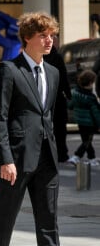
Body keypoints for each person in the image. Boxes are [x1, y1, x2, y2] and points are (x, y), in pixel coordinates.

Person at [0, 12, 87, 246]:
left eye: (51, 35)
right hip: (16, 158)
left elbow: (49, 116)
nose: (49, 40)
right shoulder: (9, 69)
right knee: (6, 216)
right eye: (43, 35)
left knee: (49, 220)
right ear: (27, 38)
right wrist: (5, 158)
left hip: (47, 158)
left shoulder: (53, 72)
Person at [44, 35, 71, 163]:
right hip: (57, 98)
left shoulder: (40, 56)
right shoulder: (56, 57)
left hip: (45, 98)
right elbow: (64, 76)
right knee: (60, 128)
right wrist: (68, 94)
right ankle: (61, 153)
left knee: (49, 128)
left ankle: (51, 154)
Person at [66, 70, 100, 166]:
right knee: (86, 142)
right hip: (90, 123)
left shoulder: (75, 93)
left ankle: (92, 158)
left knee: (86, 141)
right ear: (90, 83)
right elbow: (96, 113)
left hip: (80, 121)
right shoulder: (91, 98)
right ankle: (76, 156)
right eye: (93, 82)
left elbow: (70, 105)